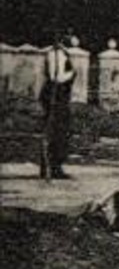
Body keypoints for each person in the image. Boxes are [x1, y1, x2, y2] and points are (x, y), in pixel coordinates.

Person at [38, 36, 76, 180]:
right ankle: (52, 166)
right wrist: (71, 74)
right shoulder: (56, 54)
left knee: (58, 131)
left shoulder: (59, 53)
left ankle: (52, 165)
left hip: (57, 96)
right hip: (55, 95)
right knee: (56, 131)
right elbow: (57, 77)